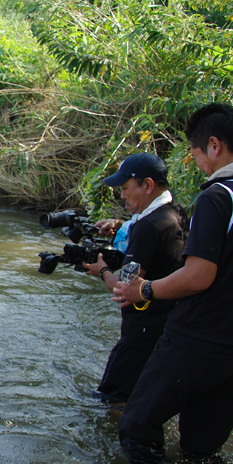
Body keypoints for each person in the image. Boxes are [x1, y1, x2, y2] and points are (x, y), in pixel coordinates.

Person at [113, 103, 233, 464]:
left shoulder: (220, 195)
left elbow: (199, 276)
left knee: (136, 425)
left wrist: (145, 290)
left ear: (213, 145)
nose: (198, 164)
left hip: (202, 336)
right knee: (200, 451)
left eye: (195, 155)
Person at [81, 153, 188, 403]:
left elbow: (125, 289)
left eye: (126, 188)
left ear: (148, 185)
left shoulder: (148, 227)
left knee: (110, 399)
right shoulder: (177, 215)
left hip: (141, 333)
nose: (122, 195)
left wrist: (102, 271)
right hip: (168, 328)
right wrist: (120, 225)